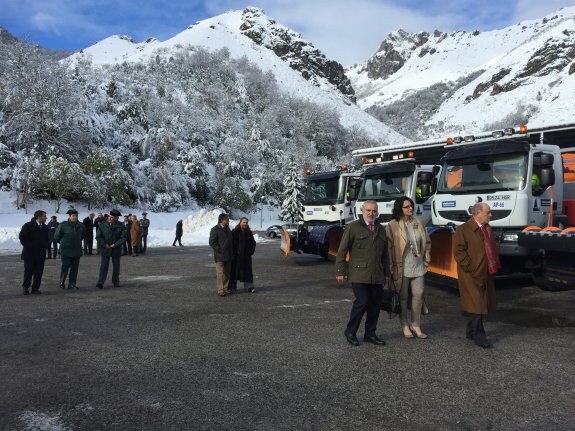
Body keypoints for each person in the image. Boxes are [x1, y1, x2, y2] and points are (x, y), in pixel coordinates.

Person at [336, 200, 391, 346]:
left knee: (375, 304)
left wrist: (387, 273)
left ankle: (370, 334)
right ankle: (350, 331)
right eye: (368, 210)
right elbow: (342, 251)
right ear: (362, 211)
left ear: (377, 212)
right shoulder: (353, 227)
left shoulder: (381, 229)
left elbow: (385, 254)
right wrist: (341, 270)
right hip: (359, 273)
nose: (371, 213)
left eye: (374, 211)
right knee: (362, 302)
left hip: (377, 274)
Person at [453, 202, 500, 348]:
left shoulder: (487, 229)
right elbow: (459, 252)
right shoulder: (463, 229)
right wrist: (471, 268)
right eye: (488, 212)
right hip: (470, 274)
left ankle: (470, 330)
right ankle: (480, 335)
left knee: (478, 303)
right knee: (477, 303)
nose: (490, 215)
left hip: (485, 273)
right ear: (477, 213)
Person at [386, 196, 431, 339]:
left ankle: (416, 324)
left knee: (419, 294)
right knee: (403, 297)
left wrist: (426, 260)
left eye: (411, 206)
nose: (411, 208)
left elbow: (427, 242)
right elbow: (388, 248)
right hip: (401, 266)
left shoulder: (418, 222)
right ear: (400, 208)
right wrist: (390, 269)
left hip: (418, 265)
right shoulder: (392, 225)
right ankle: (405, 324)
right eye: (407, 207)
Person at [19, 210, 49, 295]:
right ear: (39, 217)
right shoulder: (28, 225)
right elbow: (22, 237)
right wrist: (30, 246)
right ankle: (25, 287)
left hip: (41, 254)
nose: (46, 218)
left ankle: (35, 288)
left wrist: (46, 246)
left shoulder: (45, 227)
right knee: (28, 271)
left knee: (39, 272)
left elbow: (47, 239)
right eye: (44, 216)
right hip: (29, 254)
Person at [54, 208, 85, 290]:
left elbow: (82, 236)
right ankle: (61, 282)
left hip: (76, 250)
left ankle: (72, 283)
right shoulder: (63, 225)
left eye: (76, 216)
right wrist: (64, 243)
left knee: (75, 268)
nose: (75, 217)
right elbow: (56, 237)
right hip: (65, 250)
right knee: (65, 266)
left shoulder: (81, 226)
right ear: (69, 216)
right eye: (73, 216)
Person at [96, 209, 127, 289]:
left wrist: (115, 244)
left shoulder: (121, 226)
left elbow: (124, 238)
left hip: (116, 249)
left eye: (112, 217)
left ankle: (116, 281)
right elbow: (98, 237)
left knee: (116, 266)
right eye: (110, 217)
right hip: (105, 249)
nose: (110, 218)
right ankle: (100, 282)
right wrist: (104, 244)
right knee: (103, 266)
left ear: (117, 218)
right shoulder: (102, 225)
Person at [209, 213, 233, 296]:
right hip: (219, 256)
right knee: (220, 273)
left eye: (228, 220)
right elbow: (212, 242)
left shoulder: (228, 229)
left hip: (229, 255)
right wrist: (220, 250)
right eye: (227, 220)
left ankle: (226, 288)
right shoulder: (215, 229)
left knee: (227, 273)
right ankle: (220, 289)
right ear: (221, 220)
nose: (228, 221)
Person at [230, 217, 257, 293]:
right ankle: (232, 287)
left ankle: (249, 287)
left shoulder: (249, 233)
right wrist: (233, 253)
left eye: (246, 222)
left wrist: (251, 251)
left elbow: (253, 243)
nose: (245, 224)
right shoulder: (234, 232)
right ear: (240, 222)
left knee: (248, 272)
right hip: (236, 257)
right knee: (234, 272)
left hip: (246, 257)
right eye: (243, 222)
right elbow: (231, 243)